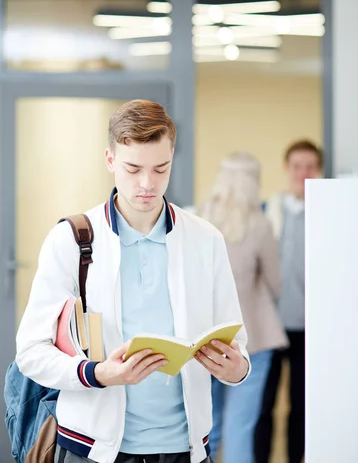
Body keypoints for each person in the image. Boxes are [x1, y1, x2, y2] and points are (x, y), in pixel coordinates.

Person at [16, 99, 250, 463]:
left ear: (173, 156)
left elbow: (239, 347)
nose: (147, 183)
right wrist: (98, 374)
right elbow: (31, 353)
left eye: (161, 168)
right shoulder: (72, 240)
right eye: (133, 168)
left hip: (186, 451)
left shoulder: (206, 240)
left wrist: (237, 369)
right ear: (110, 160)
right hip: (91, 450)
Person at [198, 152, 287, 463]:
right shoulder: (260, 225)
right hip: (254, 337)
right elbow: (276, 283)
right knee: (241, 426)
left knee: (207, 426)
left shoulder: (198, 220)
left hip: (205, 337)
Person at [254, 139, 323, 463]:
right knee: (263, 405)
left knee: (302, 405)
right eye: (297, 166)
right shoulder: (269, 211)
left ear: (318, 170)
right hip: (270, 328)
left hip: (309, 328)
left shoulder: (328, 213)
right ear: (286, 169)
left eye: (309, 166)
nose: (303, 173)